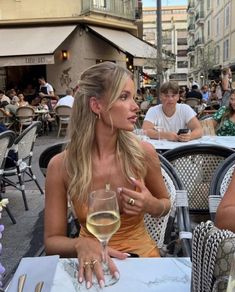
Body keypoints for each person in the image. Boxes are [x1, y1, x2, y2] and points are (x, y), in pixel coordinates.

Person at [44, 62, 170, 288]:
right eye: (124, 97)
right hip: (90, 262)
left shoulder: (143, 153)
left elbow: (165, 205)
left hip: (141, 259)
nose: (136, 106)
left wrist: (150, 204)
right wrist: (79, 244)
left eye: (134, 96)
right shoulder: (61, 166)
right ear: (96, 105)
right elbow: (52, 241)